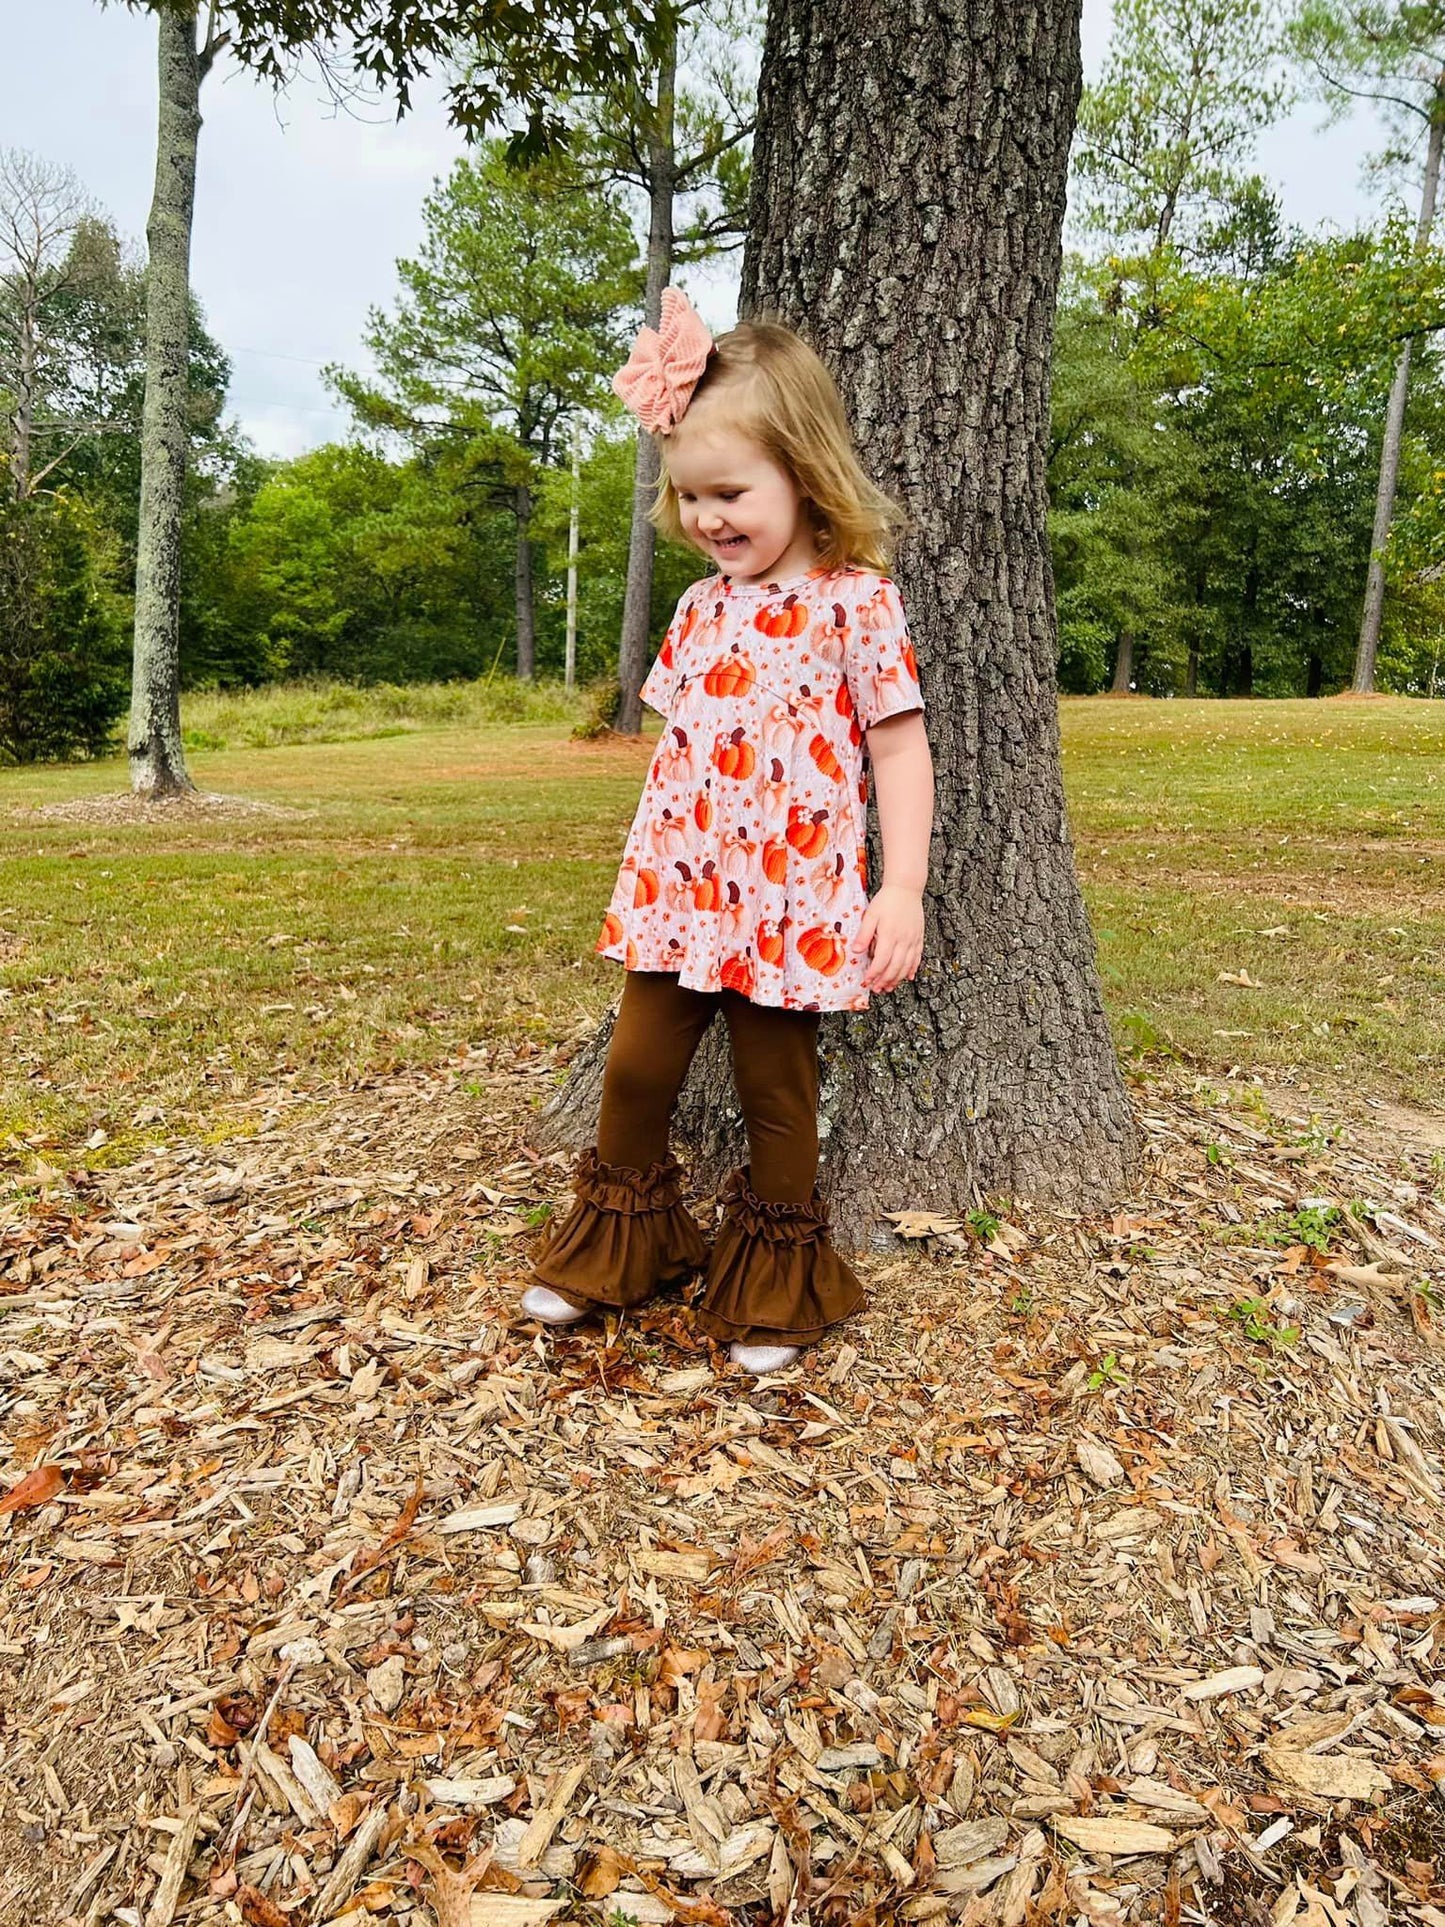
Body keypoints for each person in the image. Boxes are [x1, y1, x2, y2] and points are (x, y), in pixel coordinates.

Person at [522, 288, 935, 1373]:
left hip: (792, 901)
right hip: (683, 889)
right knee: (635, 1068)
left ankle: (772, 1286)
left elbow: (897, 749)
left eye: (731, 491)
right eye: (689, 495)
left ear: (803, 471)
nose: (708, 517)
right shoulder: (702, 606)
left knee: (774, 1089)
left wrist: (902, 889)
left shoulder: (856, 602)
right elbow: (684, 743)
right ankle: (622, 1250)